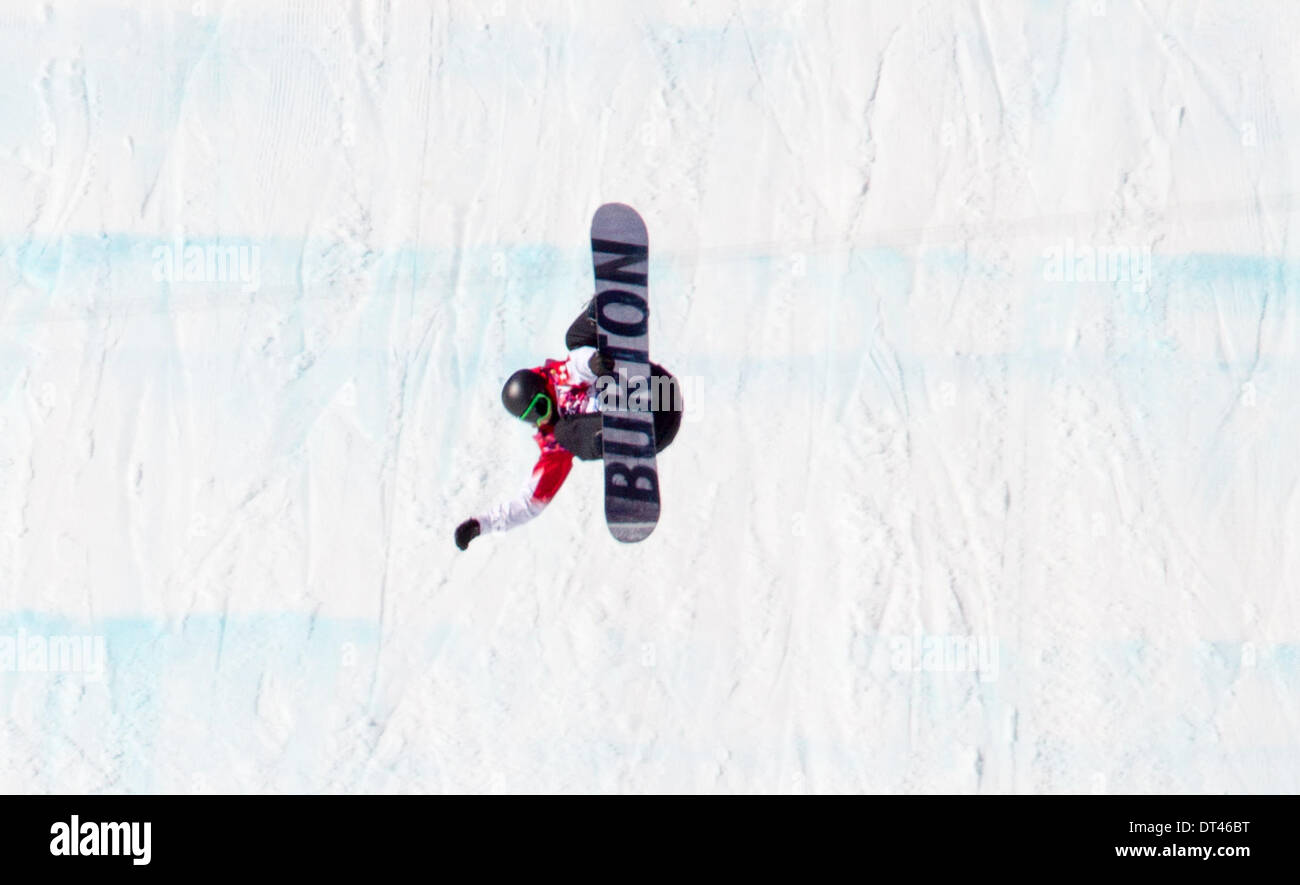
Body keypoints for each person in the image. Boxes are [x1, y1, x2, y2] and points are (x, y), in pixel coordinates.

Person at [454, 299, 682, 550]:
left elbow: (576, 365)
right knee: (563, 434)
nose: (543, 418)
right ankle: (613, 435)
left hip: (656, 388)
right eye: (534, 418)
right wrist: (481, 525)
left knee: (573, 339)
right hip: (655, 428)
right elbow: (530, 503)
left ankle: (611, 308)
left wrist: (593, 363)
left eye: (541, 406)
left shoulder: (560, 378)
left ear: (543, 389)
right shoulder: (556, 441)